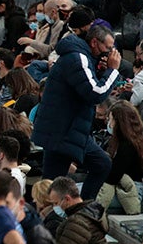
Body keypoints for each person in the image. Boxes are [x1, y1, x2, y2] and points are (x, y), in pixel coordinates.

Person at [32, 25, 121, 200]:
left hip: (67, 129)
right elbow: (95, 92)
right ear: (94, 42)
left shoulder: (81, 56)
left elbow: (82, 85)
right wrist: (113, 71)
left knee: (101, 164)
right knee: (52, 185)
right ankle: (55, 216)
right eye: (108, 48)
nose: (110, 53)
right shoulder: (77, 58)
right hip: (63, 131)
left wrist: (99, 70)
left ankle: (80, 207)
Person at [99, 101, 143, 214]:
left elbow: (113, 177)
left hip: (129, 191)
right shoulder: (133, 139)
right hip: (122, 186)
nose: (109, 124)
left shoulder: (128, 145)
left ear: (119, 122)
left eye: (110, 120)